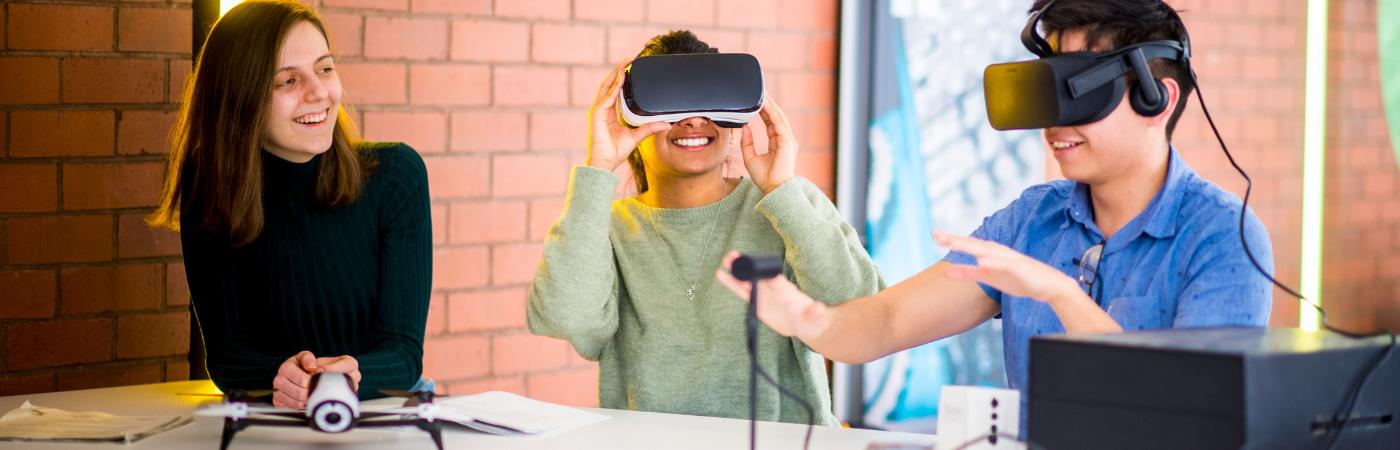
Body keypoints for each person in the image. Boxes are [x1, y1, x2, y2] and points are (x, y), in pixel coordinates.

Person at [715, 0, 1273, 428]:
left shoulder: (1223, 236)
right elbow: (886, 322)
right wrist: (811, 321)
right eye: (1046, 91)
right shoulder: (1033, 220)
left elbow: (1189, 415)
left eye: (1077, 93)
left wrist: (1060, 294)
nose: (1054, 124)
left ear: (1159, 100)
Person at [527, 31, 883, 425]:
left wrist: (783, 190)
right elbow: (567, 320)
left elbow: (862, 309)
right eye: (672, 106)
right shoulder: (605, 230)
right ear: (632, 118)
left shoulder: (788, 209)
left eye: (708, 101)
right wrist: (598, 167)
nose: (694, 120)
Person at [149, 0, 431, 409]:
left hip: (382, 414)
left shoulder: (396, 176)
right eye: (287, 81)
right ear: (240, 99)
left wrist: (350, 376)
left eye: (325, 68)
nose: (319, 92)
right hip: (273, 421)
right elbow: (229, 358)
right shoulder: (210, 186)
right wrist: (283, 376)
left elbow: (404, 355)